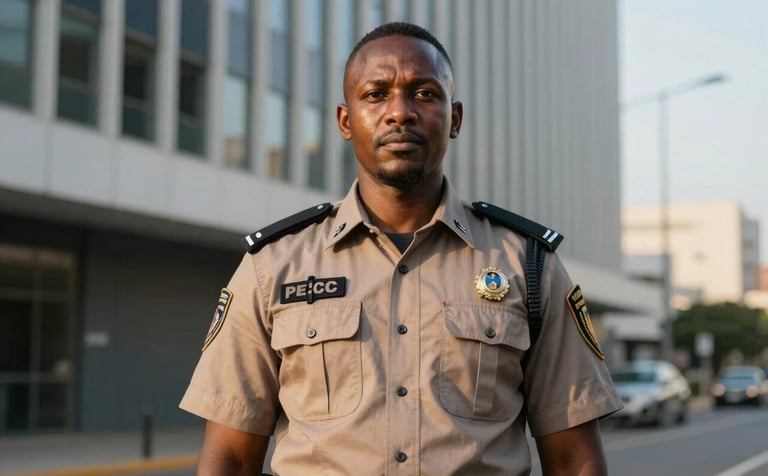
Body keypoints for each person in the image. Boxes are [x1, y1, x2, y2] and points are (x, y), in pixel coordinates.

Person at [180, 21, 622, 475]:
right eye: (376, 94)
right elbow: (230, 457)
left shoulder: (528, 265)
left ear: (454, 119)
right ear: (345, 121)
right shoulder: (273, 265)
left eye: (425, 93)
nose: (400, 112)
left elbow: (574, 460)